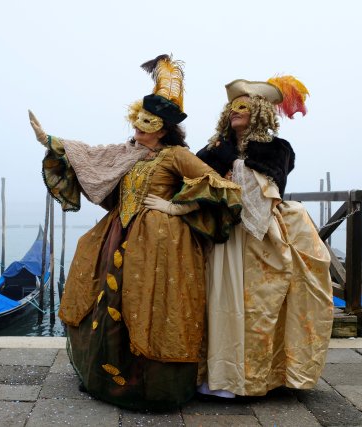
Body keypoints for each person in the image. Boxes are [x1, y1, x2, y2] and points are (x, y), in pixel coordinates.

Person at [28, 54, 242, 410]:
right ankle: (107, 380)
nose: (137, 131)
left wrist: (177, 207)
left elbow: (223, 188)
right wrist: (48, 139)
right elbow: (90, 155)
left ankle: (148, 386)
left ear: (161, 129)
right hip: (118, 233)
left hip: (160, 244)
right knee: (108, 301)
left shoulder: (176, 156)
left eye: (145, 127)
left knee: (148, 306)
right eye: (137, 125)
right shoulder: (129, 152)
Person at [173, 76, 333, 397]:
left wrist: (232, 171)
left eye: (242, 106)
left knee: (257, 306)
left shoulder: (277, 149)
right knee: (217, 301)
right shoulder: (216, 147)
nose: (235, 111)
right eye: (232, 107)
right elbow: (190, 175)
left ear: (258, 109)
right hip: (222, 234)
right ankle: (214, 375)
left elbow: (264, 190)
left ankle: (249, 378)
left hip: (259, 236)